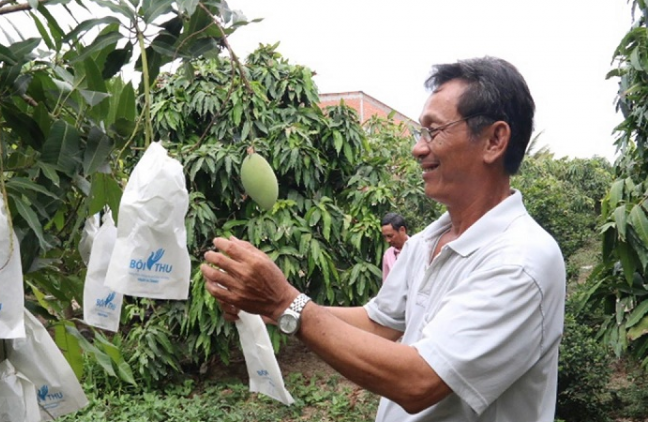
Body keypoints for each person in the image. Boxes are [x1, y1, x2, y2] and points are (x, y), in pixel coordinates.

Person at [201, 56, 565, 421]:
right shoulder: (425, 241)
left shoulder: (520, 260)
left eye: (433, 131)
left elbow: (419, 380)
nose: (418, 149)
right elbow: (380, 324)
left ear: (494, 140)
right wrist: (269, 307)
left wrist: (286, 302)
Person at [380, 212, 409, 282]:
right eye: (385, 237)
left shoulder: (418, 248)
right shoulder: (388, 254)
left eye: (390, 236)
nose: (387, 240)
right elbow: (386, 284)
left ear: (402, 230)